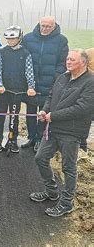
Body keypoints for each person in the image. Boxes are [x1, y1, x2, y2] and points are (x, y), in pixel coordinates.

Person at [31, 49, 94, 217]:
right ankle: (52, 191)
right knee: (40, 158)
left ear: (83, 62)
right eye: (67, 58)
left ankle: (66, 203)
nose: (68, 61)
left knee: (69, 168)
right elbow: (51, 97)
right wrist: (44, 111)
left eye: (72, 59)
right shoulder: (63, 77)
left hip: (72, 132)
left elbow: (83, 108)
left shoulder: (90, 82)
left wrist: (54, 116)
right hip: (53, 128)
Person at [21, 16, 69, 152]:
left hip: (49, 83)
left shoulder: (61, 41)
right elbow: (23, 57)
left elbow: (63, 62)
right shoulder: (28, 38)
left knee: (43, 113)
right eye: (43, 25)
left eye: (48, 26)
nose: (45, 28)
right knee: (30, 112)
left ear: (54, 26)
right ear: (39, 24)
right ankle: (31, 137)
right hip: (31, 83)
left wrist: (55, 76)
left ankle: (40, 139)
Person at [0, 26, 36, 153]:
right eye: (8, 39)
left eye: (13, 39)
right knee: (0, 115)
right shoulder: (2, 52)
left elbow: (29, 71)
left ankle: (12, 140)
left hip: (18, 90)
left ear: (19, 38)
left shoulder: (25, 53)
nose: (10, 41)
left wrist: (31, 87)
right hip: (4, 90)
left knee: (14, 117)